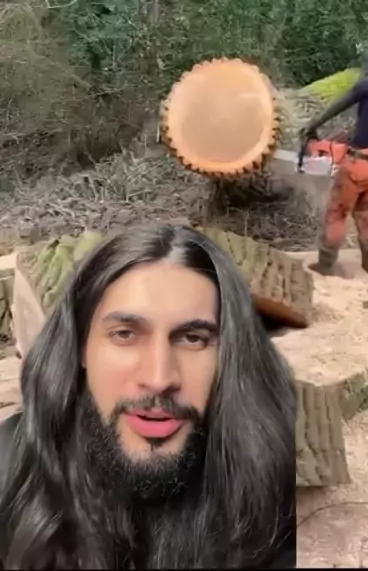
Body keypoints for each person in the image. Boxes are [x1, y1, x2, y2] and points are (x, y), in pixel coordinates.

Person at [0, 224, 296, 570]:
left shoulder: (273, 488)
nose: (159, 379)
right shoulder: (12, 469)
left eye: (193, 338)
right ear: (80, 346)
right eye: (125, 334)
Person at [300, 39, 368, 276]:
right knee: (366, 215)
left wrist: (312, 125)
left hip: (359, 165)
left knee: (338, 212)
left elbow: (337, 106)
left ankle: (325, 265)